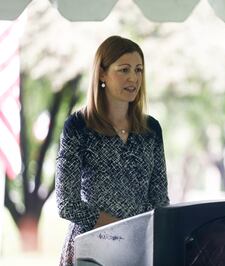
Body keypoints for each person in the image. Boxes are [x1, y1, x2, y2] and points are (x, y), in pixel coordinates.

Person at [55, 35, 170, 266]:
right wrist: (118, 227)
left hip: (139, 251)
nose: (133, 78)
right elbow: (66, 203)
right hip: (90, 250)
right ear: (102, 74)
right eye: (124, 70)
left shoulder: (151, 130)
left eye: (138, 70)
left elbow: (159, 200)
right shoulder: (78, 127)